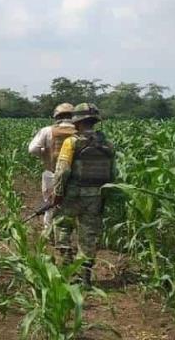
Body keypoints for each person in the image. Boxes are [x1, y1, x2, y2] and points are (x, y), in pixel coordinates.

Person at [52, 103, 116, 286]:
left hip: (73, 194)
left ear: (77, 122)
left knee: (62, 226)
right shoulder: (109, 145)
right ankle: (85, 277)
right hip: (96, 196)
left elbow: (62, 171)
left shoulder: (71, 142)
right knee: (88, 234)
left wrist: (57, 193)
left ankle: (66, 270)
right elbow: (113, 175)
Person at [27, 103, 75, 233]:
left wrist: (45, 153)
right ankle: (66, 233)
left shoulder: (48, 130)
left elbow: (32, 149)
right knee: (70, 205)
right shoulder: (80, 132)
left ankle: (49, 232)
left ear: (56, 116)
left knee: (49, 203)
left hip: (51, 173)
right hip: (74, 176)